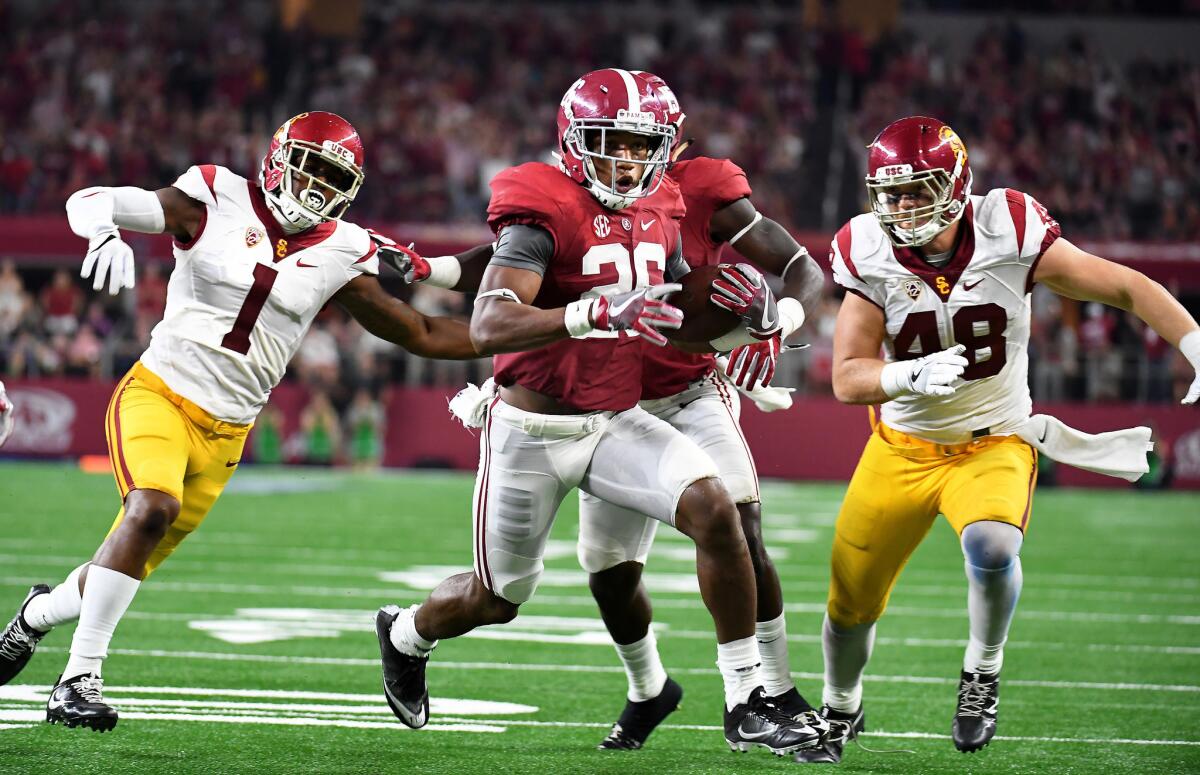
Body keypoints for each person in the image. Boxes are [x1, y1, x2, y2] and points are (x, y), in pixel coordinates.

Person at [375, 68, 820, 757]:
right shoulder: (541, 204)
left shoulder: (664, 204)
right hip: (532, 430)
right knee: (498, 597)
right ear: (575, 141)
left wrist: (748, 326)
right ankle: (406, 633)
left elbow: (671, 318)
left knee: (716, 509)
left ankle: (745, 699)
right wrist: (593, 312)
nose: (629, 161)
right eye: (613, 143)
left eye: (645, 147)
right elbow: (492, 322)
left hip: (614, 419)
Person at [0, 111, 478, 732]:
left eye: (334, 179)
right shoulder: (214, 194)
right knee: (149, 509)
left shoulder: (341, 248)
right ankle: (77, 680)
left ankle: (35, 617)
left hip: (228, 433)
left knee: (125, 561)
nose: (317, 189)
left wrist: (521, 343)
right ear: (280, 159)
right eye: (310, 169)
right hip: (160, 393)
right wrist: (103, 235)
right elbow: (90, 199)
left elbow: (416, 329)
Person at [800, 115, 1200, 763]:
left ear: (957, 184)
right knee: (848, 604)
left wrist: (1192, 339)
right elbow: (847, 377)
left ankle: (981, 672)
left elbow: (1126, 285)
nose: (902, 206)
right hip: (902, 448)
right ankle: (841, 705)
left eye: (918, 189)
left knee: (992, 542)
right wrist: (908, 373)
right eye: (891, 192)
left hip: (993, 440)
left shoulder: (1008, 228)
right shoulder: (868, 250)